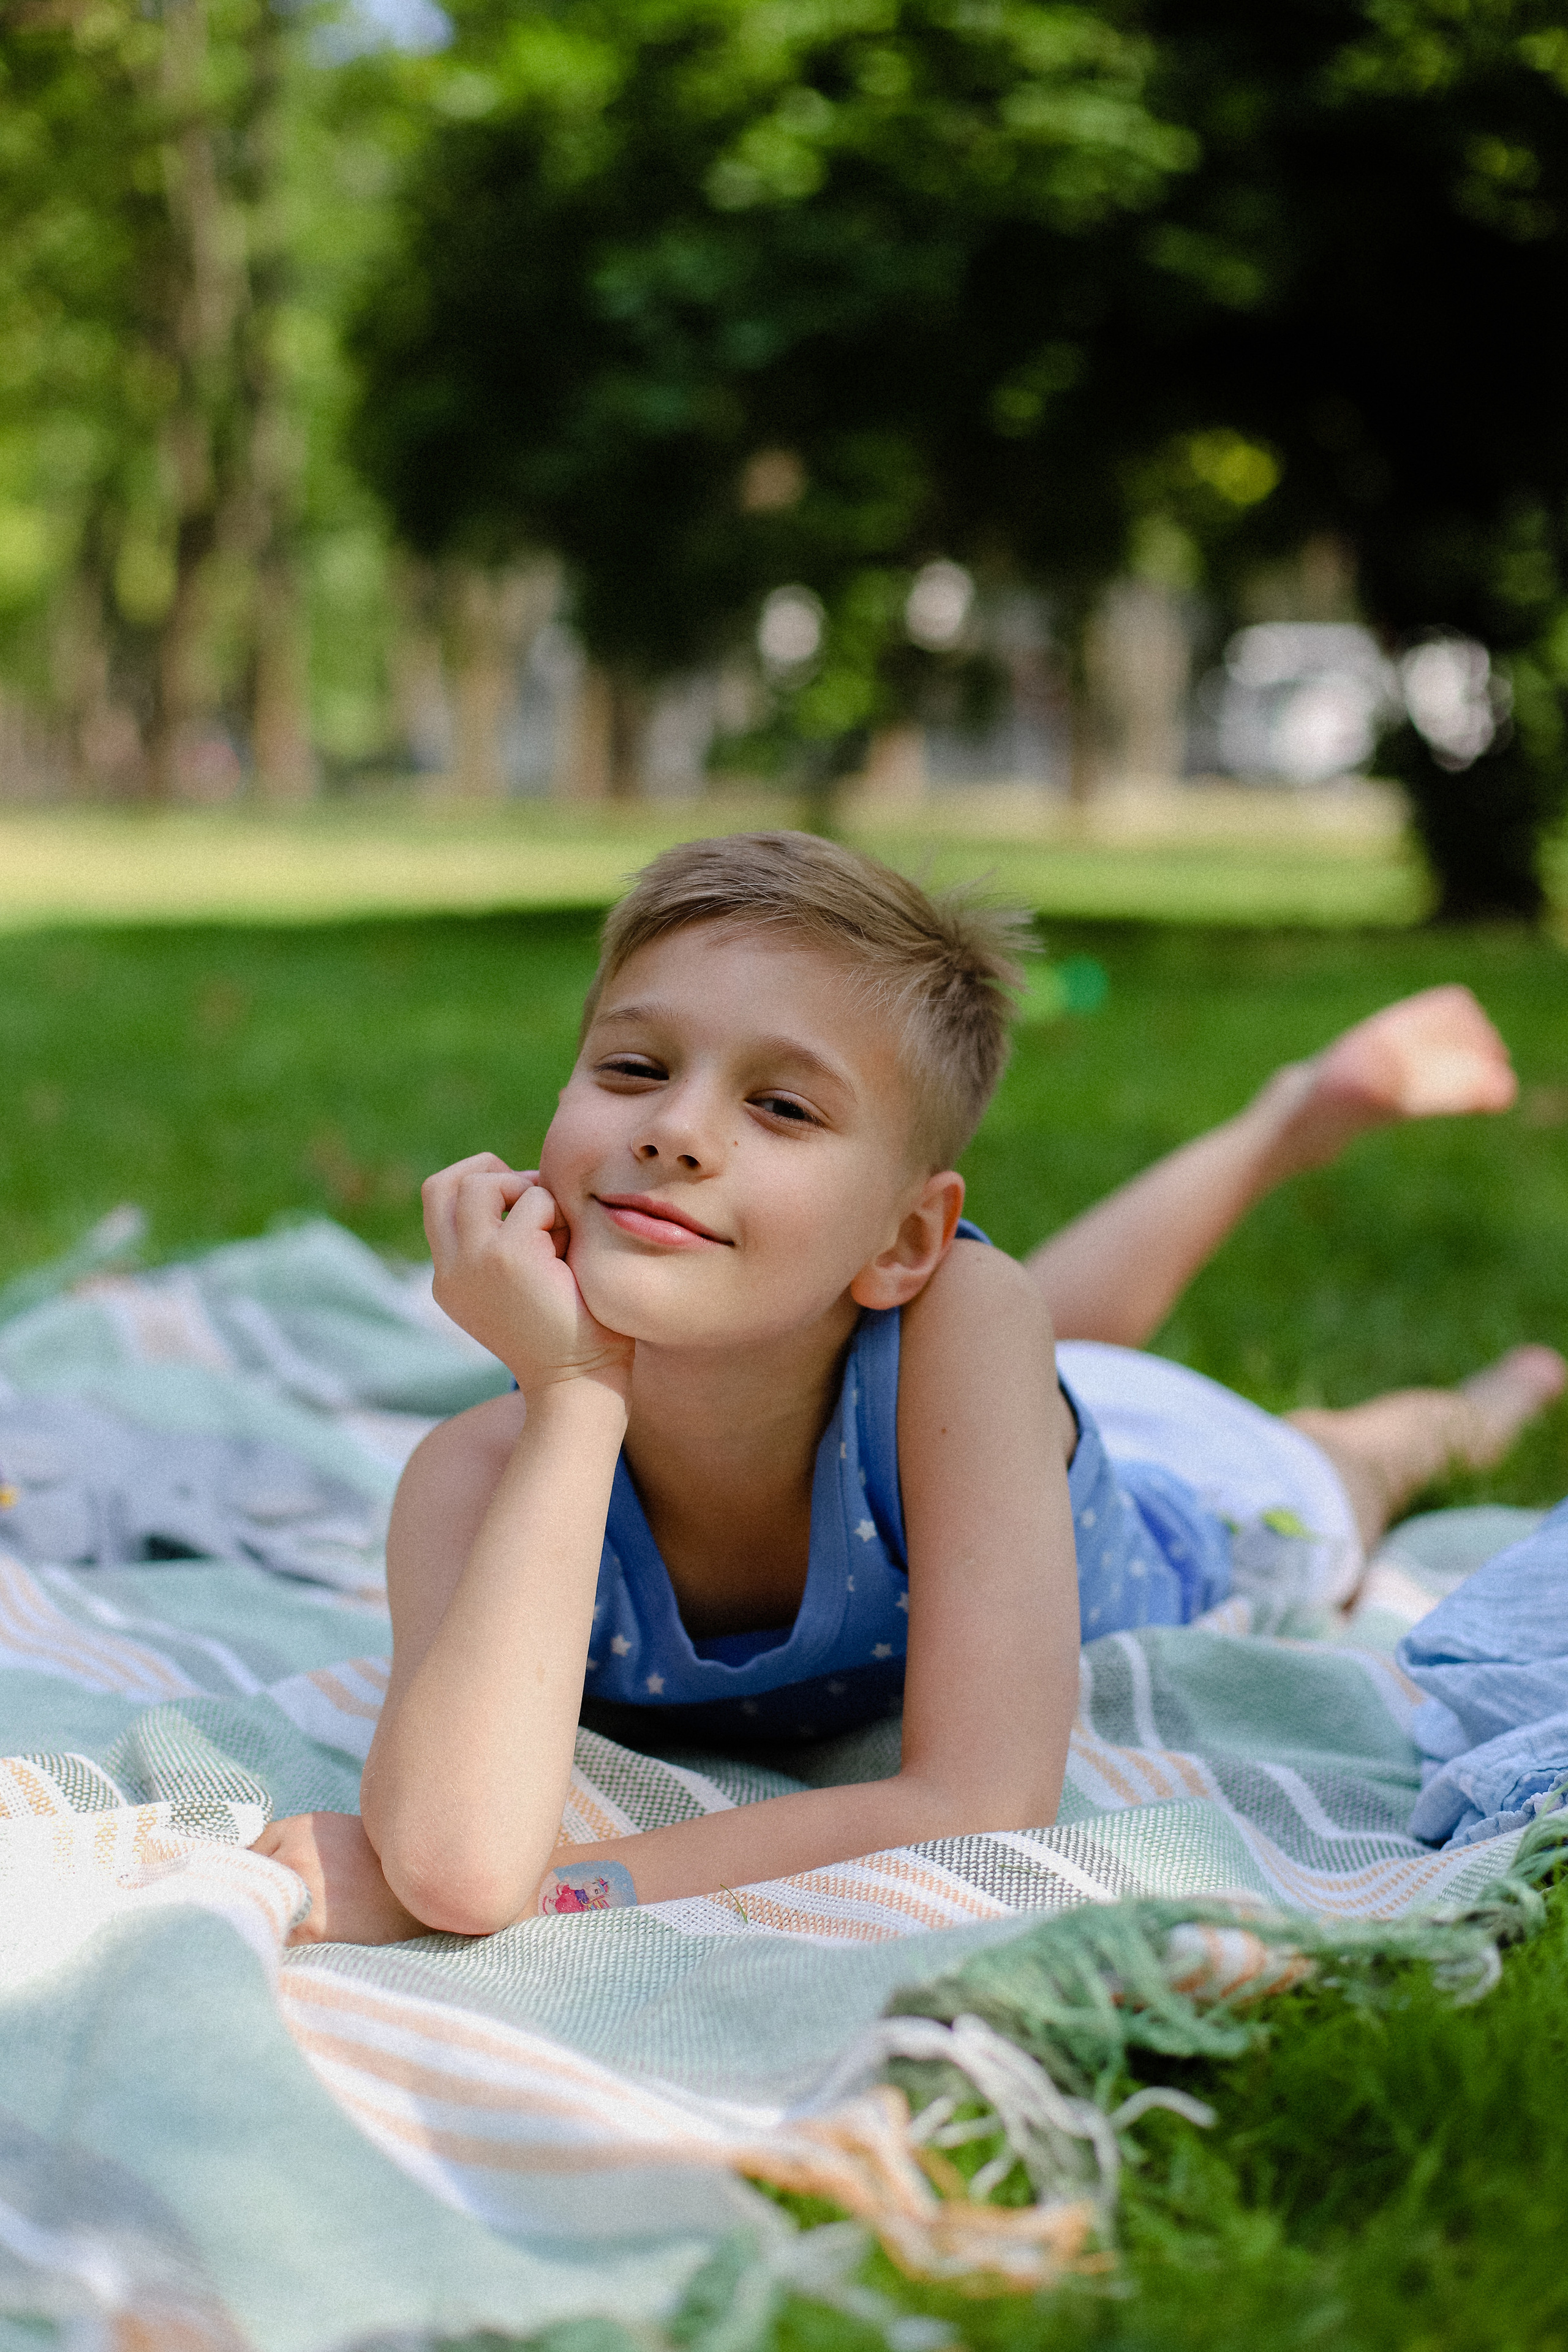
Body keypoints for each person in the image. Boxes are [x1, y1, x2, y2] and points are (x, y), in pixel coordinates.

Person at [252, 832, 1564, 1942]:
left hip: (1194, 1500)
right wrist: (577, 1395)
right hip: (961, 1411)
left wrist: (579, 1892)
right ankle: (1280, 1121)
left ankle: (1445, 1339)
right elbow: (452, 1861)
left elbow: (978, 1801)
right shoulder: (478, 1474)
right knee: (1049, 1335)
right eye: (634, 1069)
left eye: (780, 1107)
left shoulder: (960, 1315)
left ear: (903, 1239)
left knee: (1347, 1456)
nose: (671, 1128)